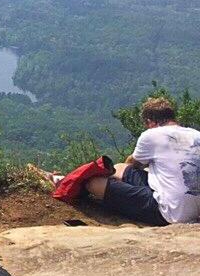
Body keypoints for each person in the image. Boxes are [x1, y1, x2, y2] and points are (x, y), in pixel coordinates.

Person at [83, 95, 200, 226]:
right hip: (195, 210)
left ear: (150, 122)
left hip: (170, 213)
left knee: (94, 184)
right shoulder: (196, 134)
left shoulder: (151, 135)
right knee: (121, 168)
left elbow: (132, 163)